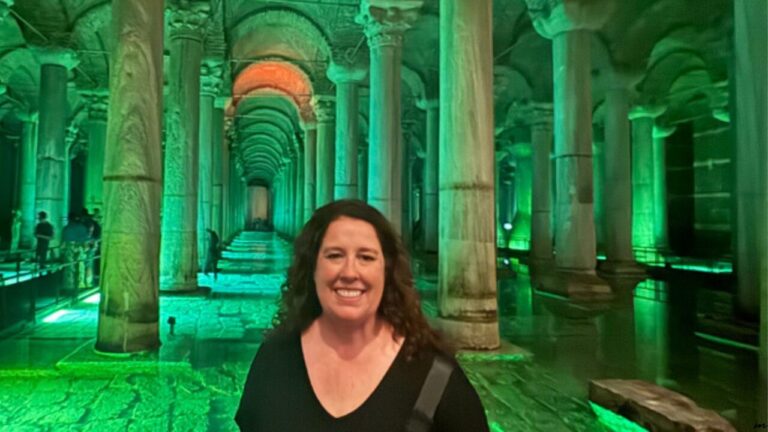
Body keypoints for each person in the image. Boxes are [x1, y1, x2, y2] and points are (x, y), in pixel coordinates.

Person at [235, 200, 489, 432]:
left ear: (386, 271)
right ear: (312, 268)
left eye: (366, 257)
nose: (349, 272)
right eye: (334, 255)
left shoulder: (435, 377)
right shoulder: (274, 359)